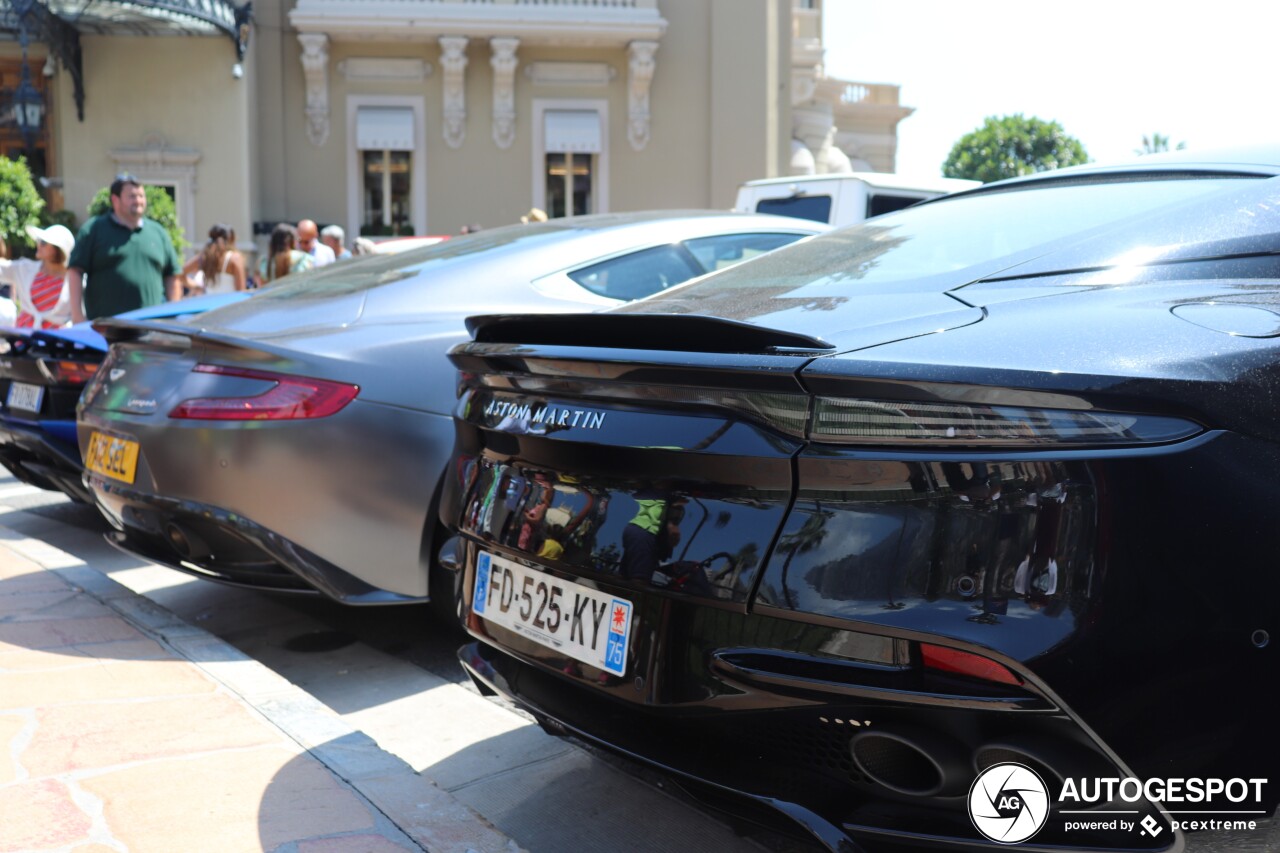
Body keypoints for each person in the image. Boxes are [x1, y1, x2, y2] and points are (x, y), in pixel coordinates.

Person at [66, 173, 182, 323]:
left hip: (153, 328)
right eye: (132, 196)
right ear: (115, 200)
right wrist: (77, 316)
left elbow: (172, 276)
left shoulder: (158, 232)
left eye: (141, 196)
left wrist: (174, 314)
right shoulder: (94, 230)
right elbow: (75, 271)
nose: (138, 201)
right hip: (108, 330)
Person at [0, 224, 76, 328]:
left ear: (57, 250)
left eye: (44, 242)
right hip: (23, 340)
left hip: (56, 342)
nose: (39, 244)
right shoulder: (25, 268)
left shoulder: (73, 279)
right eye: (39, 240)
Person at [183, 223, 247, 296]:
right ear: (230, 239)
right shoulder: (235, 258)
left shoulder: (204, 257)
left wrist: (196, 286)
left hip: (211, 305)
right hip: (230, 305)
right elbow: (241, 291)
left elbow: (180, 273)